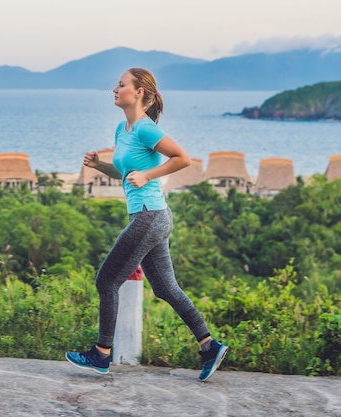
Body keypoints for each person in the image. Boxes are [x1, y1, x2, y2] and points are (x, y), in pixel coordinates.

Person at [65, 68, 228, 382]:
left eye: (121, 84)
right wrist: (99, 164)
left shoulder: (145, 129)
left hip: (148, 215)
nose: (115, 89)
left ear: (138, 92)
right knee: (166, 288)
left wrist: (149, 176)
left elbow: (183, 158)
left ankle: (100, 354)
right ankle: (209, 346)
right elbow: (125, 173)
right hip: (152, 215)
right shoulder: (122, 129)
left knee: (106, 281)